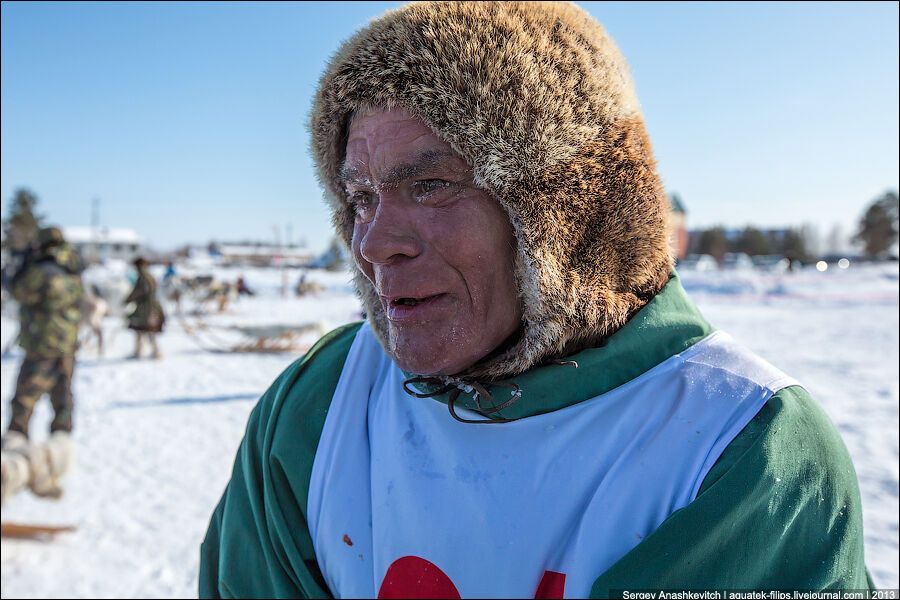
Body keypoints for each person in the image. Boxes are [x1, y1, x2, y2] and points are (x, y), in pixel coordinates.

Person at [200, 3, 871, 597]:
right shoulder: (319, 406)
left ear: (568, 209)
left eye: (431, 184)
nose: (374, 242)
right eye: (360, 197)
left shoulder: (741, 452)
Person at [1, 226, 82, 502]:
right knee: (63, 404)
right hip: (66, 345)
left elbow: (18, 292)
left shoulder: (42, 271)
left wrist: (19, 269)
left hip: (41, 347)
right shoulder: (72, 266)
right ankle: (55, 461)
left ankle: (13, 470)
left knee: (22, 405)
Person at [125, 257, 165, 359]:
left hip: (145, 308)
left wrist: (128, 299)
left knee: (145, 329)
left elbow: (140, 291)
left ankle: (152, 352)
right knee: (143, 330)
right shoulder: (150, 276)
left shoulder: (143, 277)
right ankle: (141, 351)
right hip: (152, 306)